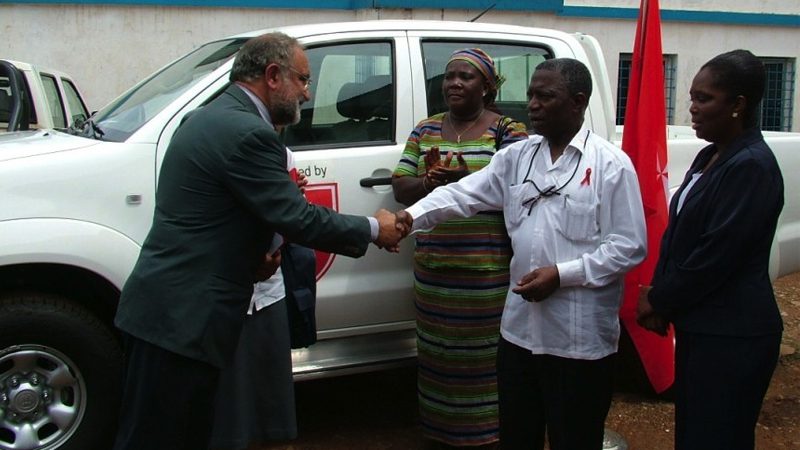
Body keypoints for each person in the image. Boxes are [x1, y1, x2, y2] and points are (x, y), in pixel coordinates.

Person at [111, 32, 404, 450]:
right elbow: (298, 218)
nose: (308, 92)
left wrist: (252, 257)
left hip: (169, 315)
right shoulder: (249, 133)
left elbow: (209, 217)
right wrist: (375, 229)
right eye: (303, 79)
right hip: (181, 321)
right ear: (272, 75)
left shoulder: (207, 117)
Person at [395, 58, 647, 450]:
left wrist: (562, 275)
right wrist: (408, 218)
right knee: (518, 434)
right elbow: (462, 194)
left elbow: (629, 246)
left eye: (545, 96)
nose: (532, 104)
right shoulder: (518, 157)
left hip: (577, 340)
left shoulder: (610, 165)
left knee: (574, 438)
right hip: (519, 335)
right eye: (530, 95)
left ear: (578, 101)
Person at [637, 50, 784, 450]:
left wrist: (659, 298)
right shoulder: (711, 155)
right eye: (692, 97)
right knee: (697, 432)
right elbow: (681, 233)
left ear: (738, 105)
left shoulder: (750, 166)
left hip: (734, 334)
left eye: (705, 99)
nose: (693, 109)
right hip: (704, 325)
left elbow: (715, 255)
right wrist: (662, 293)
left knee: (717, 436)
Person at [391, 48, 527, 448]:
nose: (453, 83)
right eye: (449, 76)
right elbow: (401, 186)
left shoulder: (507, 130)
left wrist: (467, 178)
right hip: (434, 270)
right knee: (438, 354)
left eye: (465, 77)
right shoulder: (426, 130)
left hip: (487, 271)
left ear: (486, 87)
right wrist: (431, 183)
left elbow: (518, 190)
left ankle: (488, 436)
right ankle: (440, 432)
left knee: (485, 357)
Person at [209, 144, 314, 450]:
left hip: (268, 289)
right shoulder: (217, 152)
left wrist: (291, 199)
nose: (305, 93)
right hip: (227, 285)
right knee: (229, 393)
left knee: (271, 392)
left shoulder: (282, 154)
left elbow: (295, 221)